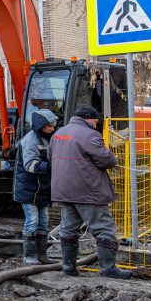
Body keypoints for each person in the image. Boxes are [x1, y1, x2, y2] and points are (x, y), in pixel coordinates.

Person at [50, 105, 131, 279]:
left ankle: (68, 267)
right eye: (95, 121)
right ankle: (108, 269)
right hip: (87, 191)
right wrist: (113, 158)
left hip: (63, 190)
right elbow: (106, 160)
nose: (96, 124)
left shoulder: (58, 134)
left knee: (68, 229)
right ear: (88, 118)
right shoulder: (90, 135)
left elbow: (51, 158)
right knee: (104, 229)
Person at [14, 109, 57, 265]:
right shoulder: (31, 141)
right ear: (41, 126)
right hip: (29, 188)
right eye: (49, 126)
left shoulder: (47, 138)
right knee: (32, 221)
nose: (53, 129)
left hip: (42, 188)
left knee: (43, 221)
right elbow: (30, 165)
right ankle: (30, 256)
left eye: (53, 125)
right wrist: (51, 166)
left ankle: (42, 255)